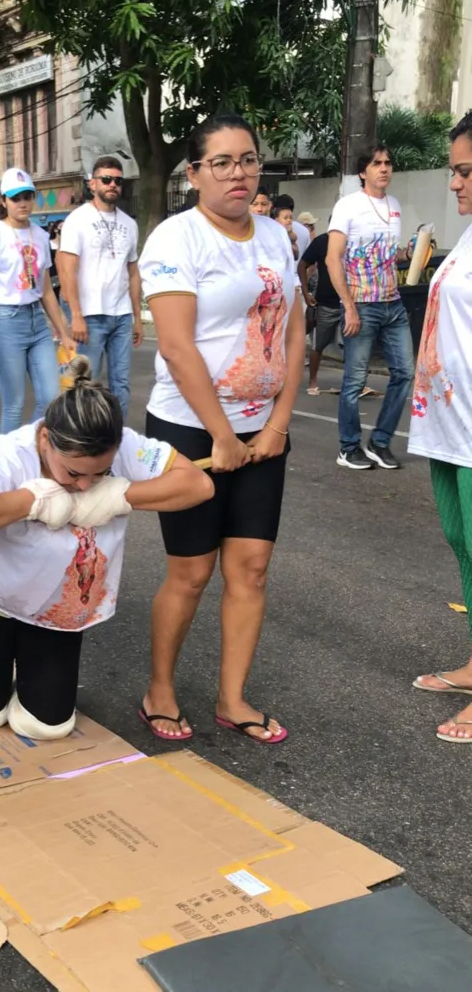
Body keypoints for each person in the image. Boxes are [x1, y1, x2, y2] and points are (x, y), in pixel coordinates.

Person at [0, 355, 213, 740]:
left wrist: (122, 495)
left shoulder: (121, 446)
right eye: (73, 472)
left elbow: (198, 485)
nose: (86, 486)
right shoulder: (9, 453)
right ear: (43, 439)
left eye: (100, 474)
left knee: (46, 726)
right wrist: (30, 500)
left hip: (54, 615)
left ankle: (13, 680)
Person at [139, 113, 305, 743]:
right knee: (191, 571)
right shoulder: (176, 240)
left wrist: (278, 424)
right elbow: (179, 349)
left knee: (252, 568)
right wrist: (224, 437)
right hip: (189, 430)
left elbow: (290, 327)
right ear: (195, 173)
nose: (239, 173)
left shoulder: (273, 237)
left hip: (263, 433)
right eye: (223, 162)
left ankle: (233, 699)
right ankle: (160, 689)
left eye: (249, 160)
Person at [409, 111, 472, 742]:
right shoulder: (468, 236)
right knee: (465, 545)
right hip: (452, 426)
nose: (453, 183)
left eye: (464, 171)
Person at [326, 145, 413, 470]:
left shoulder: (394, 206)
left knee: (404, 373)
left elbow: (390, 255)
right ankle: (349, 447)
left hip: (393, 303)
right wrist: (348, 305)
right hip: (361, 304)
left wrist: (409, 252)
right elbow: (332, 258)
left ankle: (379, 442)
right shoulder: (348, 206)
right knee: (354, 381)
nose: (384, 168)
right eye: (377, 163)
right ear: (364, 171)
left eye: (388, 163)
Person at [0, 168, 73, 433]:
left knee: (51, 399)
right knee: (14, 404)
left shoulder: (40, 235)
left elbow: (46, 290)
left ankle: (25, 448)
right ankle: (7, 465)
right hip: (4, 321)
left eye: (27, 196)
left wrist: (64, 332)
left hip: (36, 322)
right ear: (4, 201)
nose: (23, 203)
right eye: (16, 198)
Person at [58, 156, 143, 420]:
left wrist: (137, 317)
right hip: (89, 315)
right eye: (106, 179)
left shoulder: (130, 224)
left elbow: (132, 272)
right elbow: (67, 270)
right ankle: (82, 437)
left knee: (121, 384)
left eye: (118, 180)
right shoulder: (77, 220)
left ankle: (117, 440)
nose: (112, 185)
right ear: (92, 183)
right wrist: (77, 315)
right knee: (83, 383)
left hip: (121, 315)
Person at [299, 221, 341, 395]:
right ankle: (312, 380)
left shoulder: (355, 242)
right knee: (319, 343)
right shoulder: (322, 241)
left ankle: (355, 383)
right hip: (326, 301)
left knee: (356, 344)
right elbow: (302, 264)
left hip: (353, 302)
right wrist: (306, 292)